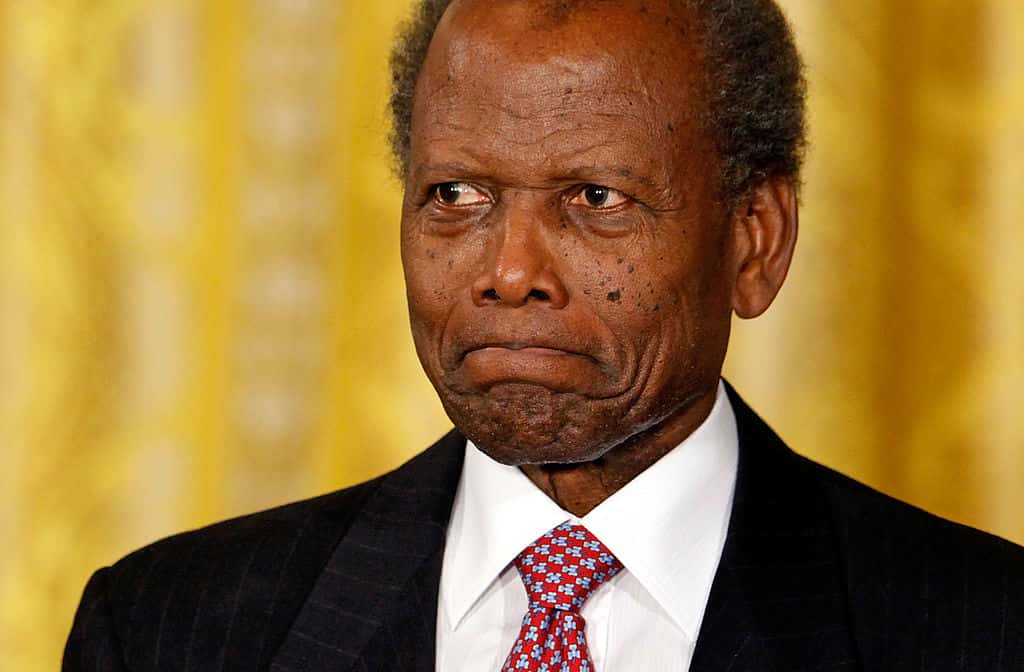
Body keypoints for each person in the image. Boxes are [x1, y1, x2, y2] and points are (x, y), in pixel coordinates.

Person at [64, 1, 1024, 670]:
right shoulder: (165, 631)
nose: (510, 269)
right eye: (456, 194)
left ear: (753, 242)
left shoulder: (981, 632)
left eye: (596, 198)